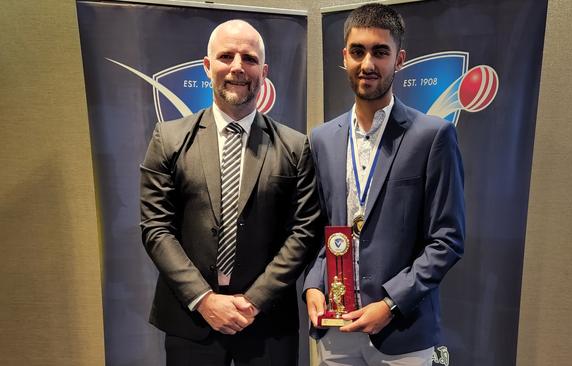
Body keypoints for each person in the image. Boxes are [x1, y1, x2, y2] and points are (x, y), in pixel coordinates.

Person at [140, 19, 321, 366]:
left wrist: (253, 301)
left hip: (268, 324)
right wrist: (204, 299)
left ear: (264, 71)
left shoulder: (296, 147)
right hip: (191, 321)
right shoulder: (168, 139)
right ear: (207, 67)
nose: (238, 67)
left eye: (249, 59)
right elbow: (156, 229)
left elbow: (304, 232)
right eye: (226, 56)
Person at [304, 4, 465, 365]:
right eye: (358, 51)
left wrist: (391, 304)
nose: (368, 64)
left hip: (403, 331)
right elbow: (318, 231)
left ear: (399, 59)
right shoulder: (322, 139)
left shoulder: (433, 136)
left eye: (380, 52)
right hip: (337, 329)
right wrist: (313, 284)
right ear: (345, 56)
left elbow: (447, 240)